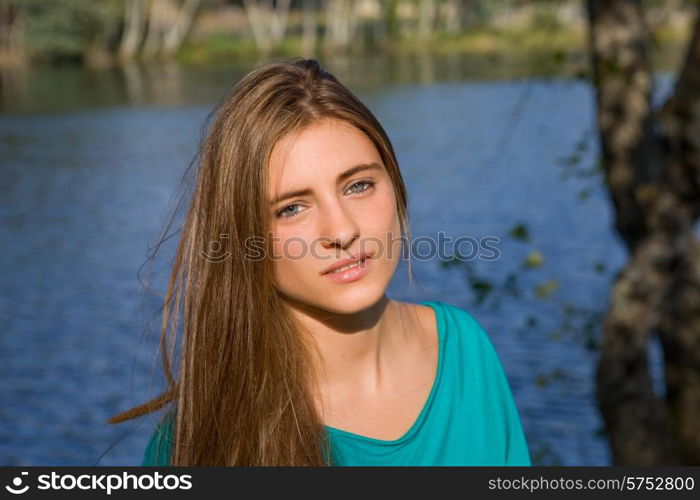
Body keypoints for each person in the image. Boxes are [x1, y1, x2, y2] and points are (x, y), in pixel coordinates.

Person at [109, 57, 531, 466]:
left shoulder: (464, 347)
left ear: (396, 186)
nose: (341, 232)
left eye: (359, 185)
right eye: (291, 208)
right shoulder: (202, 437)